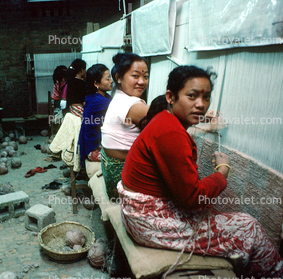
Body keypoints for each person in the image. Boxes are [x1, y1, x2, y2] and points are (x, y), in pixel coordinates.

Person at [119, 66, 283, 277]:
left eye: (206, 98)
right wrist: (222, 172)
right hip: (146, 224)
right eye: (192, 96)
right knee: (249, 227)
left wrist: (205, 121)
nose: (201, 105)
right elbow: (192, 198)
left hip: (137, 214)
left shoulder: (163, 119)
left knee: (216, 213)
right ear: (171, 96)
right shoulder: (170, 132)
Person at [100, 53, 149, 199]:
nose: (142, 81)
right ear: (119, 77)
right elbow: (168, 129)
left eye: (145, 76)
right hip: (122, 175)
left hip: (110, 168)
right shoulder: (133, 105)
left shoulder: (118, 96)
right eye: (135, 76)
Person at [78, 64, 112, 167]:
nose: (111, 81)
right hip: (92, 149)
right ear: (96, 83)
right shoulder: (98, 101)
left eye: (110, 77)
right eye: (107, 79)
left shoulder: (101, 97)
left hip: (96, 144)